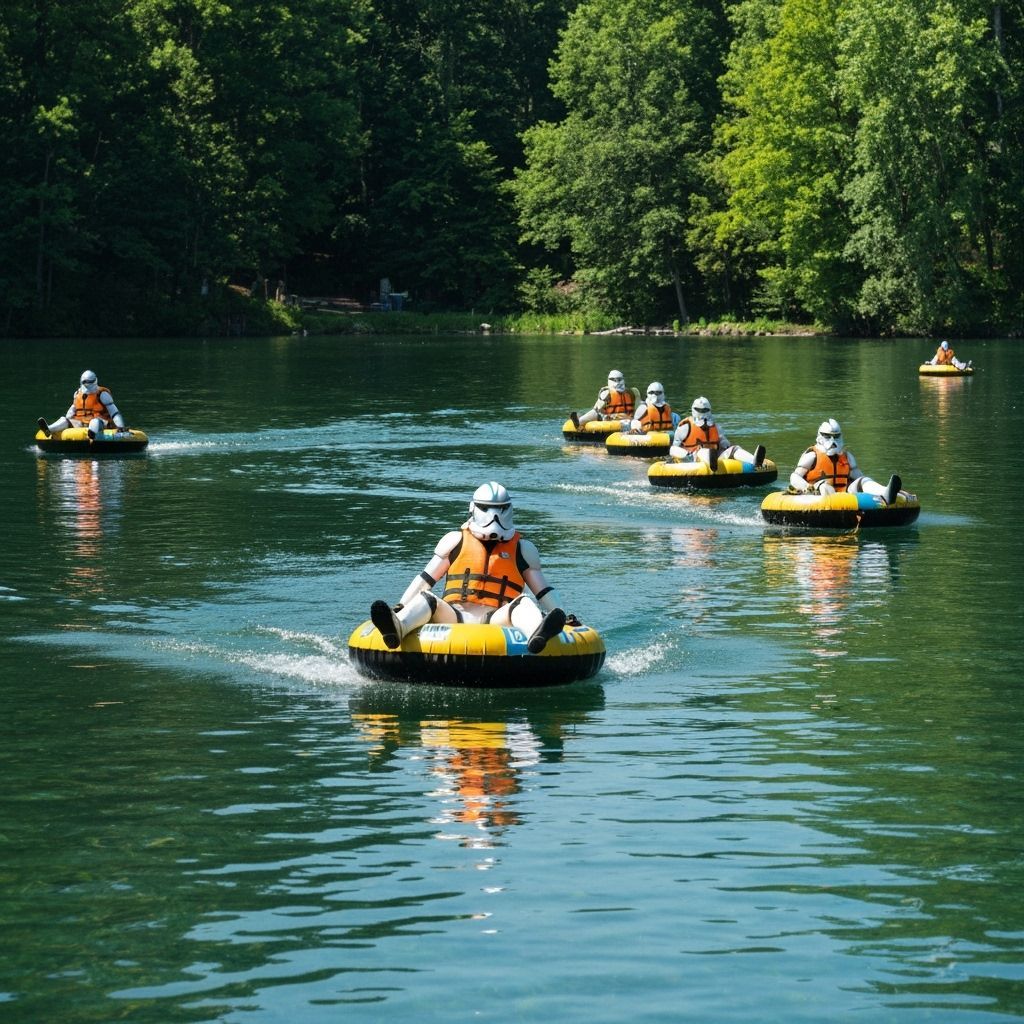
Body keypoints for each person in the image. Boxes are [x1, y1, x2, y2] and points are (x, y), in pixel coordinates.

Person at [369, 482, 573, 655]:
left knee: (524, 602)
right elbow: (426, 579)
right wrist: (402, 604)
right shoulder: (455, 541)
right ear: (474, 508)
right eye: (486, 508)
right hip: (454, 615)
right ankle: (397, 626)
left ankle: (537, 635)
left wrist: (561, 613)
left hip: (497, 617)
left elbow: (543, 589)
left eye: (501, 509)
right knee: (426, 597)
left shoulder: (523, 549)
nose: (494, 517)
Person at [790, 419, 902, 505]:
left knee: (863, 480)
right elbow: (795, 477)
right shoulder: (812, 455)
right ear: (820, 437)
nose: (832, 441)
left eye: (836, 436)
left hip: (845, 493)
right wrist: (806, 487)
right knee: (825, 486)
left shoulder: (847, 457)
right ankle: (834, 511)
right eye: (828, 436)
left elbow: (859, 476)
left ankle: (885, 492)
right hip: (819, 492)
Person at [670, 396, 766, 469]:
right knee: (703, 451)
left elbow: (725, 444)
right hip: (694, 459)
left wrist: (729, 448)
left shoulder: (716, 427)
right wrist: (686, 457)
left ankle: (754, 461)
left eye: (705, 410)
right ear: (694, 410)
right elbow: (674, 449)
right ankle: (711, 462)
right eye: (699, 410)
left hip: (716, 458)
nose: (702, 411)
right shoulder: (685, 426)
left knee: (734, 449)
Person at [38, 370, 128, 439]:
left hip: (101, 423)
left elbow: (114, 412)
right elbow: (72, 410)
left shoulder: (103, 394)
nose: (88, 384)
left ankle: (92, 435)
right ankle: (48, 429)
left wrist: (121, 427)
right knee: (64, 419)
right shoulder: (77, 394)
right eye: (86, 382)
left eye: (90, 382)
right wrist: (67, 422)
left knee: (95, 422)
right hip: (81, 423)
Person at [570, 370, 641, 428]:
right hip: (610, 419)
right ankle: (580, 421)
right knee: (595, 413)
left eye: (619, 380)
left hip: (629, 420)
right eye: (615, 380)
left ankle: (580, 419)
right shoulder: (606, 393)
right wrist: (605, 416)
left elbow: (638, 410)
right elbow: (597, 410)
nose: (618, 382)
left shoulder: (633, 392)